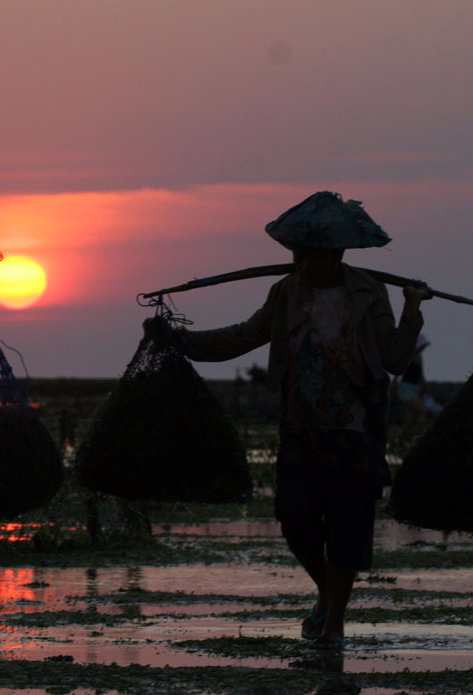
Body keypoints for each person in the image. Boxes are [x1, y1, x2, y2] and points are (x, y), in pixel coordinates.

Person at [159, 192, 431, 650]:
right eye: (299, 256)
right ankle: (327, 595)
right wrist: (182, 342)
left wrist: (412, 308)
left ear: (337, 254)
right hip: (299, 429)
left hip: (355, 433)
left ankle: (334, 625)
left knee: (347, 528)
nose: (305, 265)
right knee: (295, 522)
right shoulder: (287, 292)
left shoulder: (367, 292)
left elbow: (395, 359)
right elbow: (245, 335)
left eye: (314, 256)